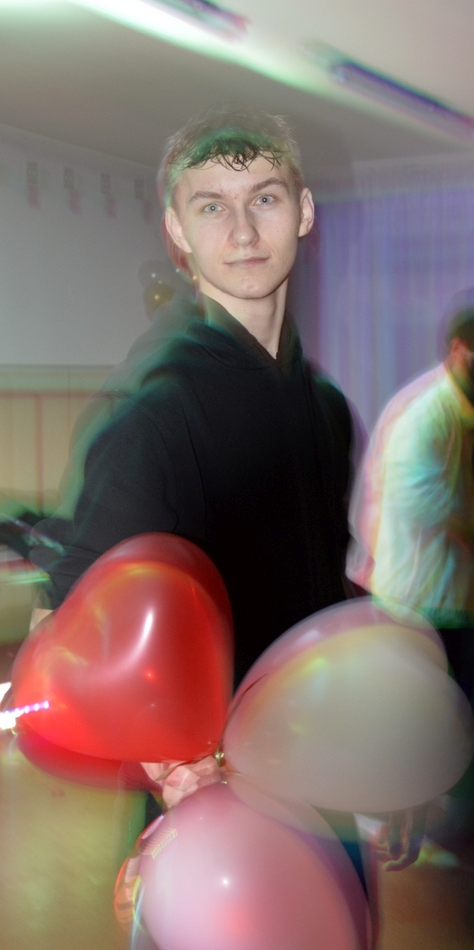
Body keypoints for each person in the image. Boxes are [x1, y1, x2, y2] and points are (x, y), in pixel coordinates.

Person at [33, 106, 354, 687]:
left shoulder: (325, 407)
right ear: (178, 230)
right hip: (211, 738)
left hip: (312, 721)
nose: (243, 232)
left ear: (304, 211)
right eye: (212, 207)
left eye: (264, 199)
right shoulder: (150, 411)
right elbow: (66, 627)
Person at [347, 306, 474, 700]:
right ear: (457, 349)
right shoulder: (426, 414)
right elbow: (420, 500)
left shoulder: (470, 410)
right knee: (428, 720)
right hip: (422, 606)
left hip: (446, 602)